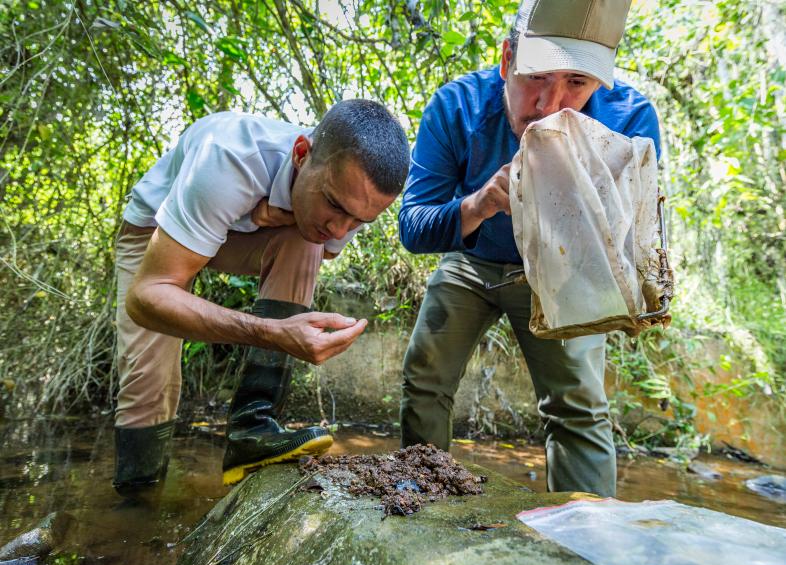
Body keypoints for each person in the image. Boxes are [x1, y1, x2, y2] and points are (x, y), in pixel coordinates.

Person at [398, 0, 661, 497]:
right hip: (473, 261)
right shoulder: (457, 107)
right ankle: (421, 498)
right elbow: (413, 226)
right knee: (425, 374)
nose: (550, 106)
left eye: (577, 82)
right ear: (506, 60)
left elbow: (633, 244)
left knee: (577, 404)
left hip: (564, 273)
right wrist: (477, 204)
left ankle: (585, 527)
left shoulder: (629, 121)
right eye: (537, 77)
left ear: (599, 82)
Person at [114, 99, 410, 494]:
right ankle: (136, 503)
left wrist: (261, 219)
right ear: (301, 154)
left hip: (236, 233)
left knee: (308, 237)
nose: (342, 230)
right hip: (155, 230)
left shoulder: (347, 201)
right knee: (149, 381)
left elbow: (321, 242)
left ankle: (252, 427)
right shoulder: (229, 158)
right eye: (335, 205)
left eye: (359, 221)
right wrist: (271, 331)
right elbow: (145, 297)